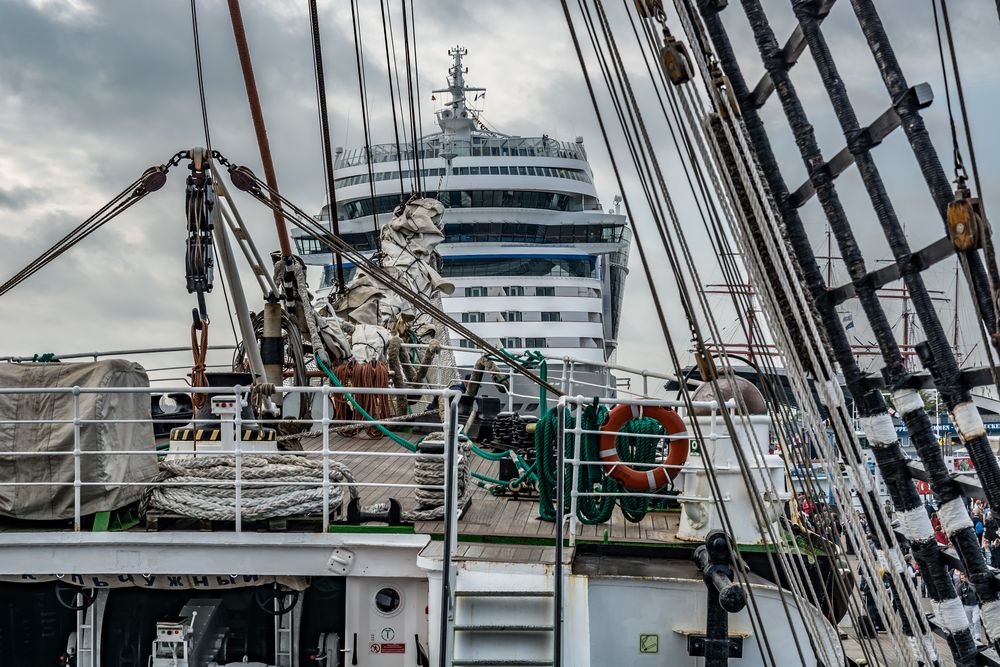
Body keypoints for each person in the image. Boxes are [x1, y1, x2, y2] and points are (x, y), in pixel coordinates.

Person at [958, 572, 982, 644]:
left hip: (975, 605)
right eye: (961, 578)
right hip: (966, 605)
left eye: (963, 578)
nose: (962, 579)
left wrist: (968, 582)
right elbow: (960, 596)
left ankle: (978, 636)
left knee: (976, 621)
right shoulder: (961, 586)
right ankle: (972, 636)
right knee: (969, 622)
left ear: (966, 577)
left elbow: (976, 590)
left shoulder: (973, 584)